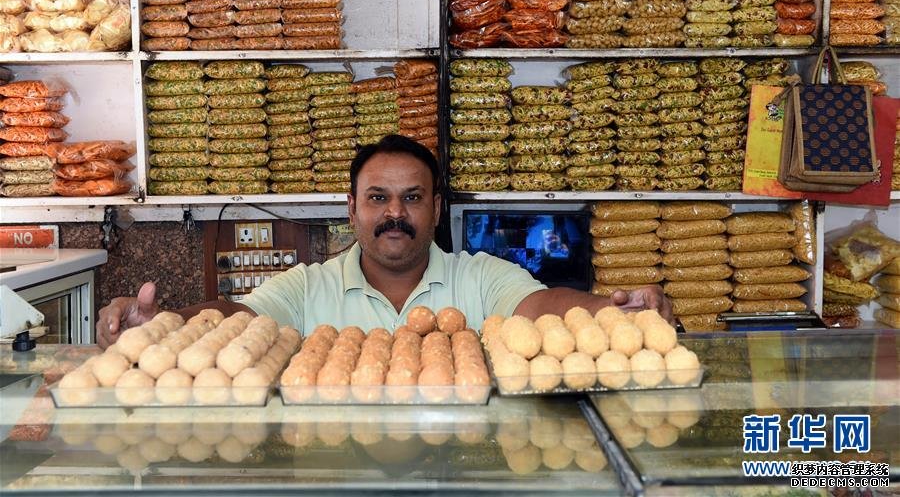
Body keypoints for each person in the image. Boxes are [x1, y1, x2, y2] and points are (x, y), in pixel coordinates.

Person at [97, 135, 672, 348]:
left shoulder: (478, 276)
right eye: (377, 198)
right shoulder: (308, 287)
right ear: (350, 209)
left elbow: (543, 306)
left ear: (437, 209)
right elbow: (235, 316)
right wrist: (168, 323)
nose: (395, 214)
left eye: (413, 198)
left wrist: (614, 310)